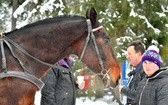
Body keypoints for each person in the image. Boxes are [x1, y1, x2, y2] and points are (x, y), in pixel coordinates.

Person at [119, 40, 146, 105]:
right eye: (127, 54)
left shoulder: (145, 71)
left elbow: (141, 95)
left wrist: (123, 89)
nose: (127, 56)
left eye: (129, 54)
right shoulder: (136, 70)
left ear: (139, 54)